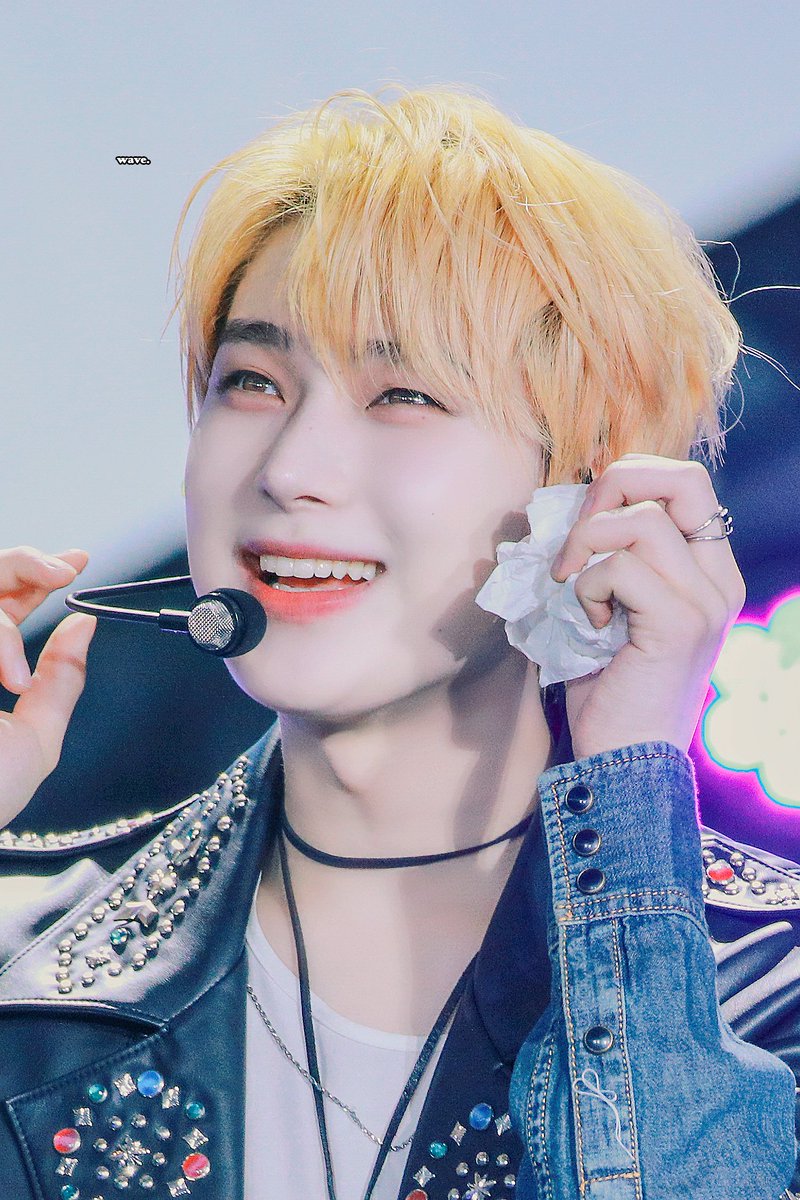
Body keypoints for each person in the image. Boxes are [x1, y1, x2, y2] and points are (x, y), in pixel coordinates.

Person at [0, 86, 798, 1200]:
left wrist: (627, 782)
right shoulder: (25, 976)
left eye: (403, 394)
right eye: (252, 382)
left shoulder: (765, 981)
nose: (289, 469)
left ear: (593, 487)